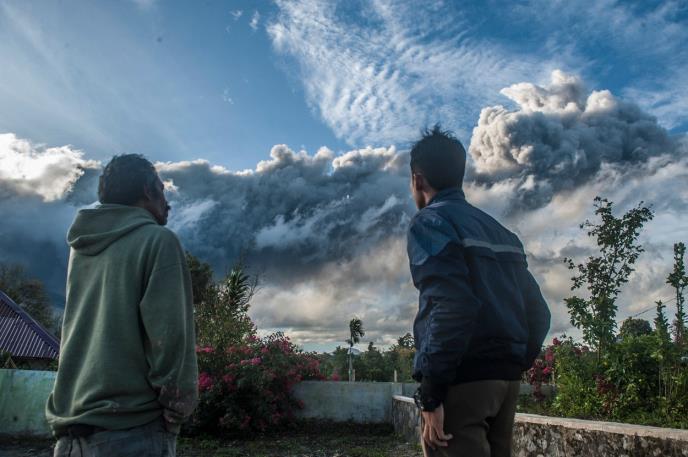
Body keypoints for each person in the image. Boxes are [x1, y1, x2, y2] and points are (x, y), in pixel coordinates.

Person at [407, 126, 551, 457]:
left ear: (417, 180)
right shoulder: (501, 233)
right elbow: (538, 313)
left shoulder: (430, 222)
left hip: (463, 383)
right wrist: (510, 364)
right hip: (505, 385)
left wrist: (431, 392)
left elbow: (451, 305)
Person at [46, 154, 198, 457]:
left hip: (69, 433)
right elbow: (171, 338)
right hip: (131, 430)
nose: (167, 202)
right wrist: (177, 408)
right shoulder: (158, 240)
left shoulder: (83, 247)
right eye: (162, 190)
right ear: (147, 190)